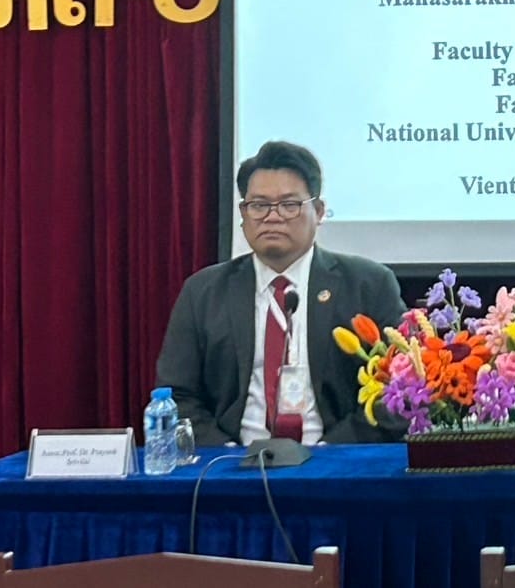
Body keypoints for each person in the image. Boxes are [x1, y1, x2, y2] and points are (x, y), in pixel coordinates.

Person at [156, 140, 407, 445]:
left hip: (336, 459)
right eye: (259, 205)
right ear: (243, 213)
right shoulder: (203, 292)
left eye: (289, 205)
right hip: (234, 462)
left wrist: (331, 453)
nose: (272, 217)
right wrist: (226, 454)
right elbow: (178, 395)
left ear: (319, 211)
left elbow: (400, 387)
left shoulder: (368, 285)